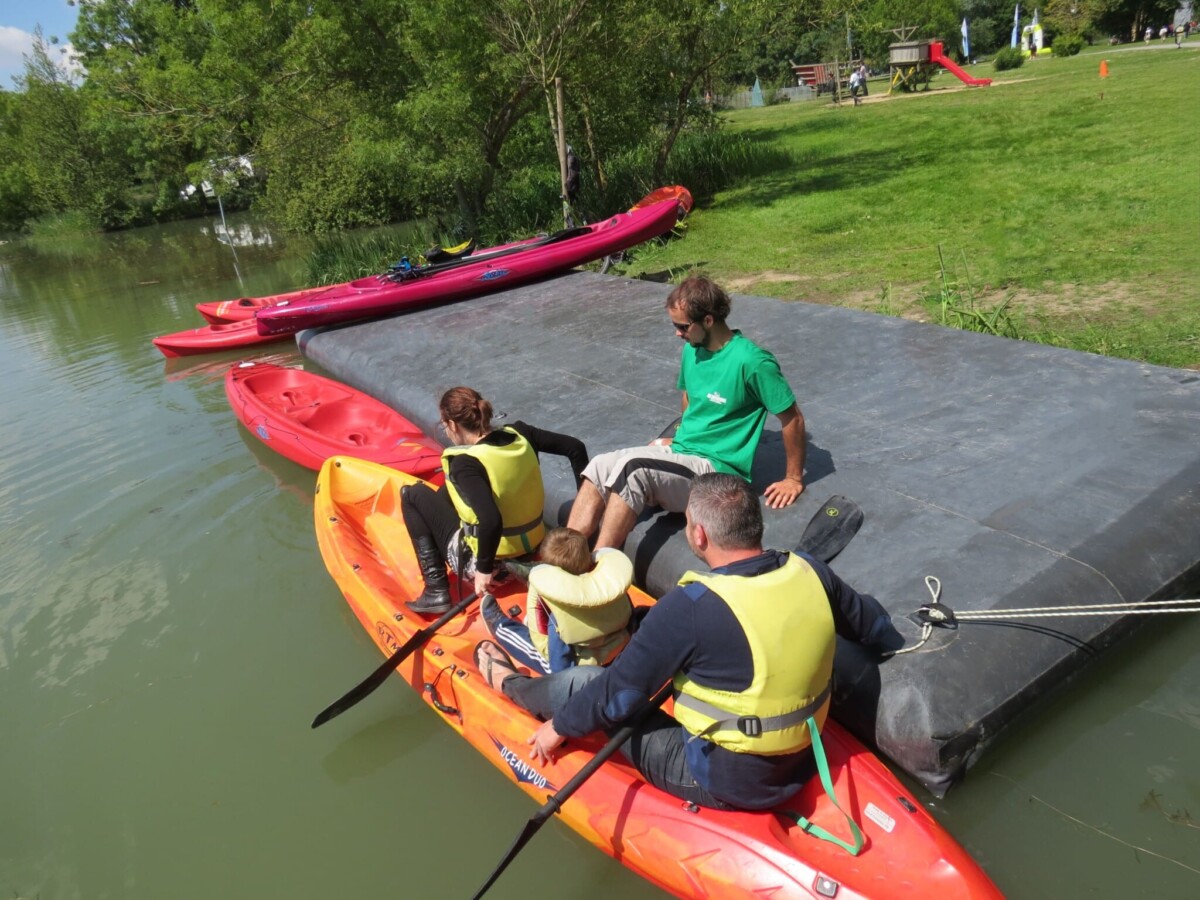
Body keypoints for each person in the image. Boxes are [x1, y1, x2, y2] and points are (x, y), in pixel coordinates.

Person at [476, 473, 897, 811]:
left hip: (725, 780)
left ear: (698, 536)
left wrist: (562, 727)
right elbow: (873, 625)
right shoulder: (809, 571)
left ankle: (510, 685)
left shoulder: (689, 606)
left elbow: (617, 698)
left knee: (584, 683)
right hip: (804, 754)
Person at [565, 276, 806, 551]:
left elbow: (793, 418)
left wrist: (793, 479)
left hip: (717, 470)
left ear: (708, 320)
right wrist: (681, 438)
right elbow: (689, 398)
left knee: (634, 470)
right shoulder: (693, 351)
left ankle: (600, 573)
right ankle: (565, 558)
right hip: (688, 454)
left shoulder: (752, 362)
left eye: (682, 326)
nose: (677, 333)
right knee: (600, 465)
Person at [400, 387, 588, 615]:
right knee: (446, 492)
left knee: (413, 495)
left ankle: (435, 590)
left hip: (495, 571)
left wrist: (483, 569)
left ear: (452, 424)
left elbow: (490, 519)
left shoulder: (466, 463)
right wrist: (583, 509)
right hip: (535, 549)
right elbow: (576, 448)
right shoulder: (521, 433)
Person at [479, 527, 634, 674]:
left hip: (583, 667)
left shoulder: (559, 618)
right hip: (618, 646)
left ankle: (498, 624)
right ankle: (530, 574)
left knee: (535, 651)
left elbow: (560, 667)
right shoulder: (612, 586)